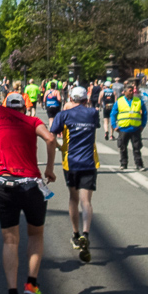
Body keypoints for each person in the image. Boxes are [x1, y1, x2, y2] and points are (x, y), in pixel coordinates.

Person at [0, 92, 57, 294]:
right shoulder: (32, 121)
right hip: (31, 185)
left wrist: (0, 162)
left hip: (4, 186)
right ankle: (32, 283)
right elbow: (51, 139)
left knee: (10, 241)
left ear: (5, 106)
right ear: (24, 108)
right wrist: (49, 168)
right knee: (35, 234)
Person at [49, 87, 100, 263]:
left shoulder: (63, 115)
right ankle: (86, 233)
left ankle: (76, 234)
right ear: (86, 100)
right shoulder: (93, 113)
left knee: (73, 198)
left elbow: (51, 135)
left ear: (70, 98)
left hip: (70, 162)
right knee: (87, 201)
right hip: (89, 162)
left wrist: (58, 146)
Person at [110, 80, 147, 171]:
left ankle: (139, 164)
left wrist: (143, 125)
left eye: (132, 91)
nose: (132, 92)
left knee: (137, 148)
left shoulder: (138, 101)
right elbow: (113, 114)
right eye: (130, 91)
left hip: (135, 128)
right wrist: (114, 125)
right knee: (122, 147)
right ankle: (123, 163)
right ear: (124, 92)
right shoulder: (119, 101)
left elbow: (145, 114)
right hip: (123, 129)